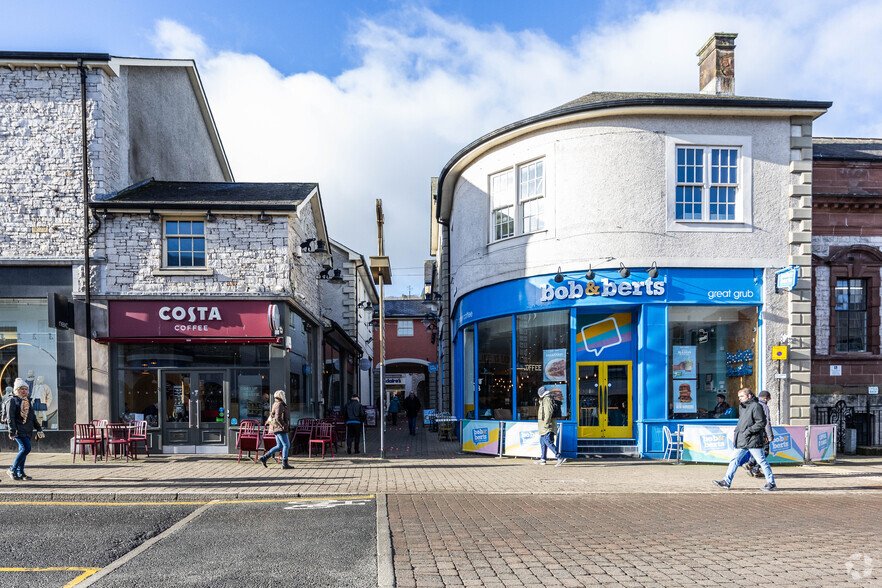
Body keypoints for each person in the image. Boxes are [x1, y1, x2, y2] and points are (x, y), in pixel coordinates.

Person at [713, 388, 776, 491]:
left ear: (749, 396)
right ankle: (726, 482)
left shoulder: (756, 406)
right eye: (739, 397)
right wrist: (738, 434)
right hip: (743, 439)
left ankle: (771, 483)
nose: (740, 399)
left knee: (761, 461)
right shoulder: (742, 406)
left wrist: (748, 431)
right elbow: (742, 422)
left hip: (753, 439)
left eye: (741, 396)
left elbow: (761, 423)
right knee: (734, 460)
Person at [7, 377, 43, 481]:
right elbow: (10, 417)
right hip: (18, 430)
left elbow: (33, 417)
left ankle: (20, 472)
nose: (24, 391)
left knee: (23, 450)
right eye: (21, 389)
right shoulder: (12, 401)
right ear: (16, 390)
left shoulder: (27, 401)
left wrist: (39, 428)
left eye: (25, 389)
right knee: (26, 448)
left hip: (27, 430)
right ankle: (12, 469)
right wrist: (12, 431)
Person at [745, 390, 775, 477]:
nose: (768, 401)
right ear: (766, 399)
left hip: (753, 431)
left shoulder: (753, 405)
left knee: (757, 450)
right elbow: (767, 422)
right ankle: (754, 467)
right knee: (765, 451)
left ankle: (752, 465)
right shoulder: (764, 406)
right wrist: (770, 435)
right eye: (769, 399)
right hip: (762, 432)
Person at [259, 390, 292, 469]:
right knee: (286, 445)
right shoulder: (279, 404)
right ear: (281, 396)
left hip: (276, 428)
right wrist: (284, 426)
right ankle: (284, 463)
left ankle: (264, 457)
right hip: (280, 428)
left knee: (280, 445)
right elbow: (278, 418)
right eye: (284, 394)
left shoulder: (276, 403)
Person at [535, 386, 566, 467]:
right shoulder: (545, 398)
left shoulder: (547, 399)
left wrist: (546, 423)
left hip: (548, 425)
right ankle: (543, 459)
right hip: (544, 424)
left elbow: (548, 412)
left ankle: (559, 457)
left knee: (547, 441)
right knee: (542, 441)